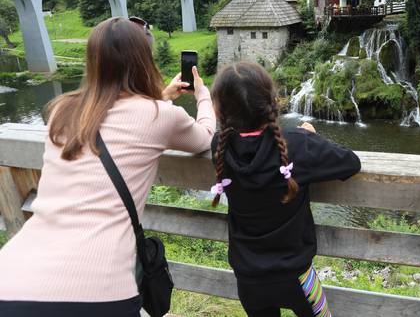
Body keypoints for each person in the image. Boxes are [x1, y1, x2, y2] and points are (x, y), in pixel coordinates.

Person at [0, 17, 216, 316]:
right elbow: (204, 137)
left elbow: (111, 115)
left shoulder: (61, 109)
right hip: (98, 288)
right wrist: (204, 97)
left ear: (94, 61)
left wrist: (162, 97)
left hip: (12, 278)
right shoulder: (160, 115)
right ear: (143, 60)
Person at [209, 61, 361, 317]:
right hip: (297, 277)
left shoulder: (220, 148)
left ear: (219, 110)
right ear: (272, 102)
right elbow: (350, 163)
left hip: (248, 277)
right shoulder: (298, 145)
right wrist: (311, 137)